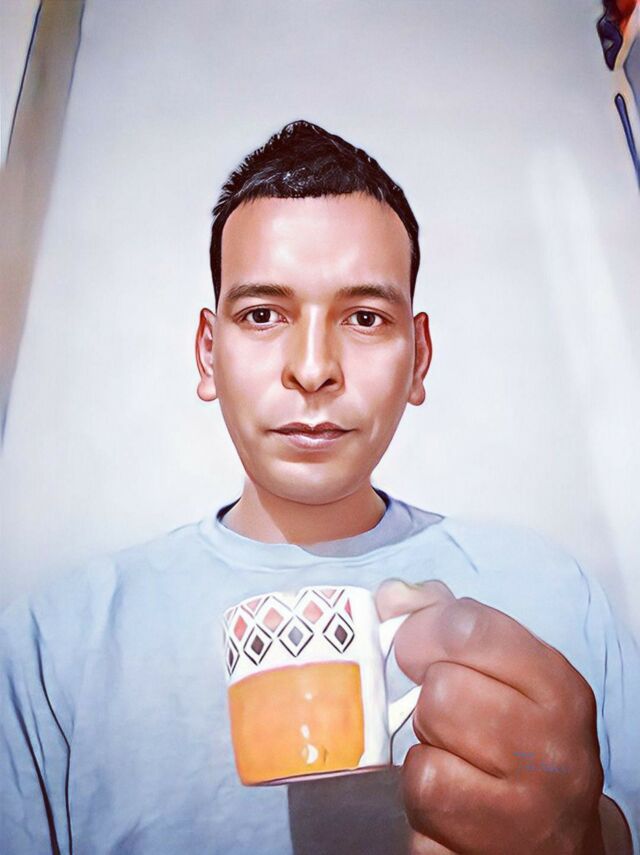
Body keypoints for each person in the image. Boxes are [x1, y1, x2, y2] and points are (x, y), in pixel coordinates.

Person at [1, 120, 638, 855]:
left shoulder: (555, 597)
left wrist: (589, 837)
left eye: (364, 318)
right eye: (262, 315)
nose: (312, 370)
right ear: (208, 354)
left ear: (419, 358)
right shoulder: (53, 646)